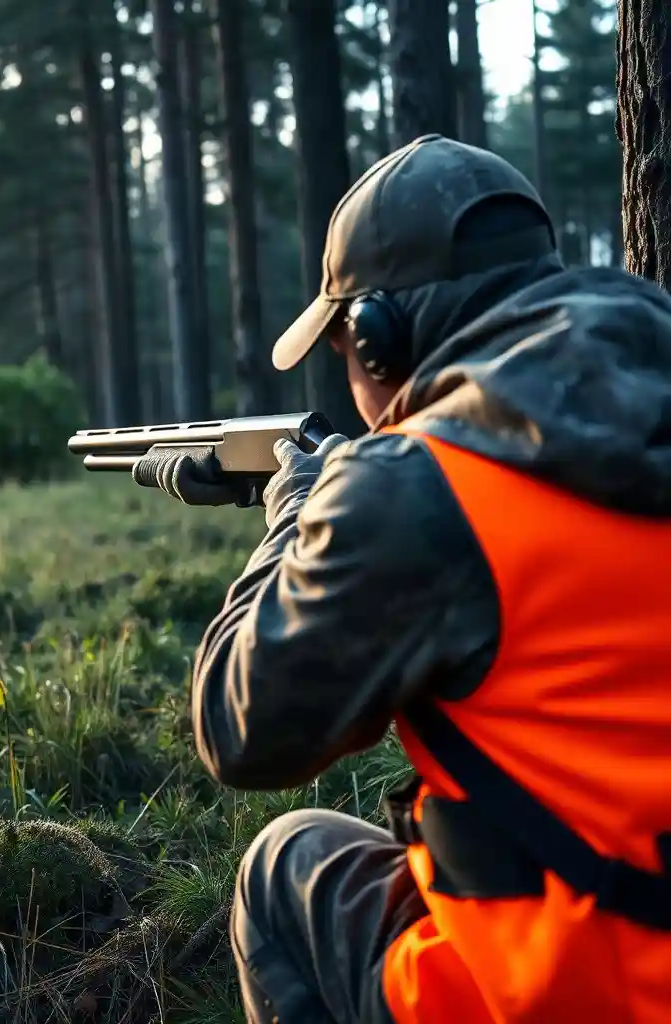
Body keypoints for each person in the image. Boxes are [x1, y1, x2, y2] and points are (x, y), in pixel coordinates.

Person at [138, 134, 671, 1022]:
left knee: (285, 866)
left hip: (598, 983)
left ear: (380, 340)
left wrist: (295, 520)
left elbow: (241, 730)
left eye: (345, 345)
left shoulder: (425, 489)